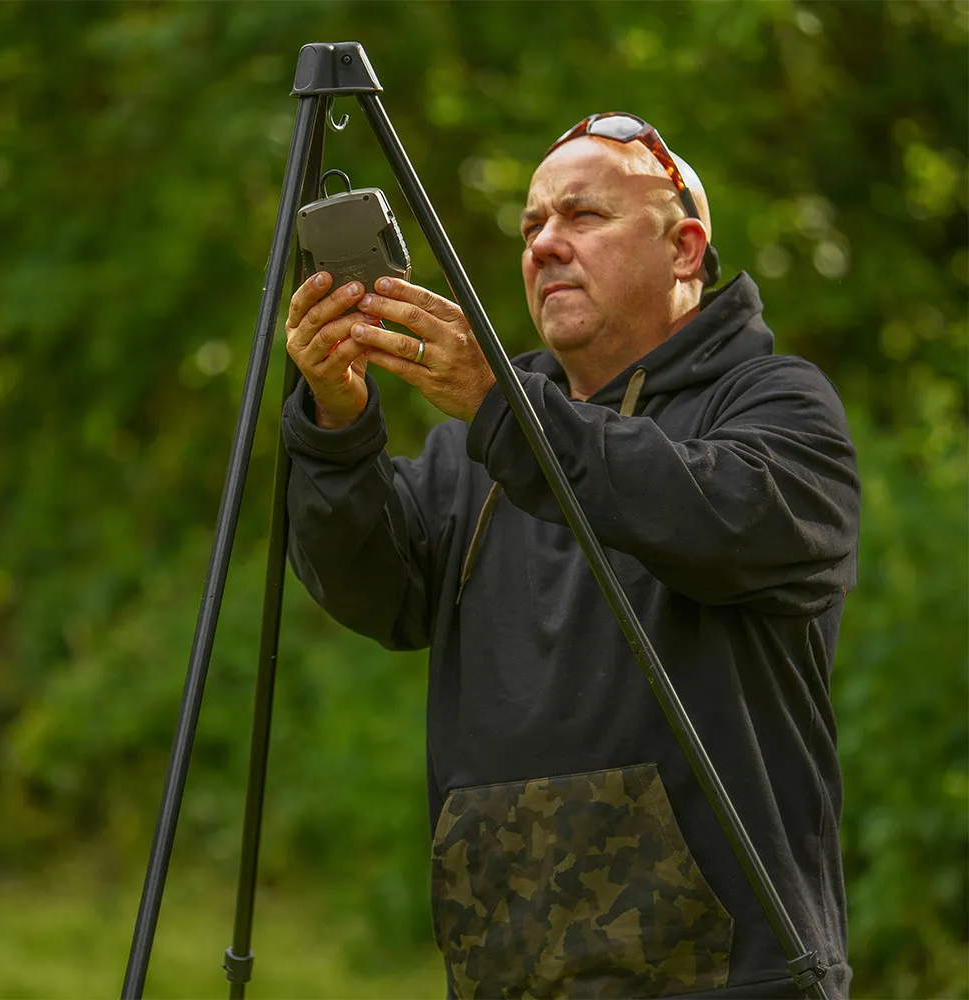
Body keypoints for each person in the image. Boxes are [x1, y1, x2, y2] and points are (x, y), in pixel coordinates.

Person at [281, 112, 860, 999]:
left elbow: (712, 518)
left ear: (683, 250)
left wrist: (504, 412)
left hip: (727, 975)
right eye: (532, 226)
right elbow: (372, 590)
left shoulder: (777, 405)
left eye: (583, 216)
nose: (545, 244)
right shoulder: (477, 443)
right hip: (515, 971)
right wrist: (335, 422)